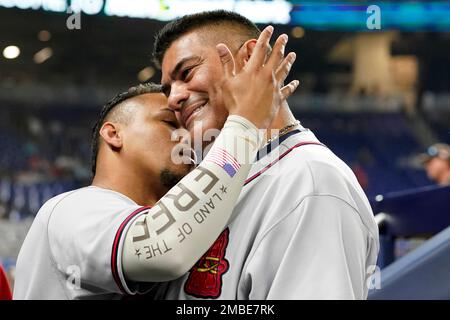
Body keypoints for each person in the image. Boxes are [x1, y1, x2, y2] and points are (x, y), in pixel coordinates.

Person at [13, 26, 298, 299]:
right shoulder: (71, 210)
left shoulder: (162, 223)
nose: (187, 140)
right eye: (169, 124)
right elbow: (164, 248)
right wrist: (245, 123)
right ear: (114, 134)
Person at [154, 10, 379, 299]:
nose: (174, 98)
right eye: (168, 89)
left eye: (186, 73)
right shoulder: (221, 179)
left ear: (250, 58)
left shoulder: (310, 181)